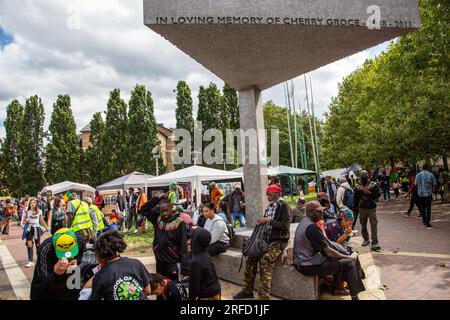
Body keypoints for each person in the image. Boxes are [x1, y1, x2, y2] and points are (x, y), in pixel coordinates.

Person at [293, 201, 365, 300]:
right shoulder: (311, 228)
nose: (322, 213)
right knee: (349, 263)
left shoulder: (305, 222)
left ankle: (342, 287)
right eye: (319, 211)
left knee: (341, 257)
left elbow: (327, 245)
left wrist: (342, 253)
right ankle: (354, 297)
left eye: (322, 211)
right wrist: (348, 257)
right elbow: (328, 252)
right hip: (306, 266)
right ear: (310, 212)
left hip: (305, 261)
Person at [233, 184, 290, 300]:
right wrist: (262, 222)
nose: (267, 196)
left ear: (277, 193)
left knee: (265, 260)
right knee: (250, 258)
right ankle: (247, 290)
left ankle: (264, 297)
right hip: (265, 240)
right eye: (267, 194)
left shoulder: (284, 206)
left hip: (278, 241)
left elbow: (285, 226)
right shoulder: (270, 207)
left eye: (269, 194)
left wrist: (268, 220)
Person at [89, 231, 152, 300]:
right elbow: (148, 291)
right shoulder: (136, 263)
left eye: (95, 254)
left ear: (100, 255)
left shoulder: (100, 275)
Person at [139, 197, 189, 281]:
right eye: (162, 211)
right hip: (159, 260)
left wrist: (185, 269)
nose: (165, 213)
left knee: (172, 286)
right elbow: (143, 209)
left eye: (167, 210)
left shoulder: (179, 222)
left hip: (172, 261)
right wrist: (156, 199)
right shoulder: (157, 219)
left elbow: (183, 246)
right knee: (160, 287)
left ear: (171, 207)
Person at [30, 228, 86, 300]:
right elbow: (42, 280)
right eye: (62, 253)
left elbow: (84, 256)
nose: (66, 257)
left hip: (72, 282)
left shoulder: (80, 239)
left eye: (71, 251)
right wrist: (56, 274)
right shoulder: (46, 248)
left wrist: (77, 261)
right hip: (50, 288)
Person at [189, 227, 222, 300]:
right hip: (215, 291)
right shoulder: (206, 254)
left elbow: (194, 285)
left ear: (195, 241)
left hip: (207, 295)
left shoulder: (195, 262)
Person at [355, 171, 381, 251]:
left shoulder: (373, 184)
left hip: (371, 208)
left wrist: (370, 192)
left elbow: (378, 194)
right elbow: (355, 197)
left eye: (365, 175)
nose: (364, 177)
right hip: (362, 208)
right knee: (363, 226)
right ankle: (366, 239)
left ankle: (375, 242)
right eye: (362, 176)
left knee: (374, 225)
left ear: (368, 176)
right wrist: (355, 207)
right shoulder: (357, 186)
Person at [21, 198, 49, 268]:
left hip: (37, 228)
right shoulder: (27, 212)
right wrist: (26, 220)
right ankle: (30, 261)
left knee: (38, 244)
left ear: (36, 204)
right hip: (29, 228)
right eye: (31, 203)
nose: (32, 204)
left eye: (34, 203)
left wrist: (46, 228)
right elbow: (23, 222)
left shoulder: (39, 211)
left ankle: (39, 259)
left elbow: (41, 220)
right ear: (29, 204)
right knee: (29, 244)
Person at [414, 163, 437, 229]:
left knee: (422, 207)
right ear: (427, 167)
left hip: (420, 193)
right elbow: (435, 183)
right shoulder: (431, 174)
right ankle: (428, 222)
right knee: (428, 208)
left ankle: (424, 220)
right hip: (428, 193)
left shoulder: (418, 175)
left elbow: (415, 184)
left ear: (422, 168)